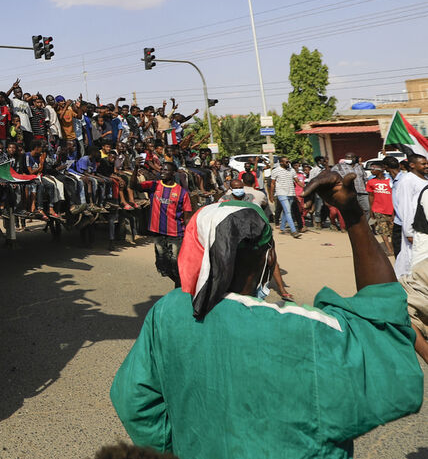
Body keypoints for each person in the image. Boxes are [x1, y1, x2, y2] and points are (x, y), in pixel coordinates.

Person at [111, 170, 423, 459]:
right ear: (269, 255)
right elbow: (383, 319)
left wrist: (180, 446)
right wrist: (353, 216)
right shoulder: (306, 329)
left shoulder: (168, 313)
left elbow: (135, 403)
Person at [135, 162, 192, 287]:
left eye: (166, 170)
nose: (162, 172)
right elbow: (135, 186)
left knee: (175, 263)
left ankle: (180, 288)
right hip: (157, 232)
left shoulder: (182, 192)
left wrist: (189, 235)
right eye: (162, 169)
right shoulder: (154, 185)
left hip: (176, 233)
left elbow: (187, 216)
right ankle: (181, 284)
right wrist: (135, 168)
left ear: (173, 173)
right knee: (161, 264)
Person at [393, 154, 427, 276]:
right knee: (411, 259)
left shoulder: (424, 179)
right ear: (412, 165)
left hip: (425, 226)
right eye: (423, 164)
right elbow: (405, 207)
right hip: (414, 228)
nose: (426, 166)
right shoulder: (407, 180)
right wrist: (409, 232)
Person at [365, 164, 395, 257]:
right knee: (383, 230)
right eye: (371, 169)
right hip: (378, 209)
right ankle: (389, 249)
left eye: (374, 169)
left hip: (391, 209)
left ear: (381, 170)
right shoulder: (371, 182)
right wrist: (371, 209)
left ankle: (394, 247)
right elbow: (371, 196)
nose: (371, 170)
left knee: (392, 230)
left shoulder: (390, 181)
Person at [268, 156, 301, 238]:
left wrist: (305, 187)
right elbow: (272, 184)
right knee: (288, 212)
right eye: (286, 162)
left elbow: (297, 181)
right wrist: (271, 195)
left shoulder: (292, 170)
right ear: (281, 162)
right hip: (281, 193)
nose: (288, 163)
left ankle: (282, 227)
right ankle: (294, 231)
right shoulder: (276, 171)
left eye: (288, 161)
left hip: (291, 193)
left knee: (287, 210)